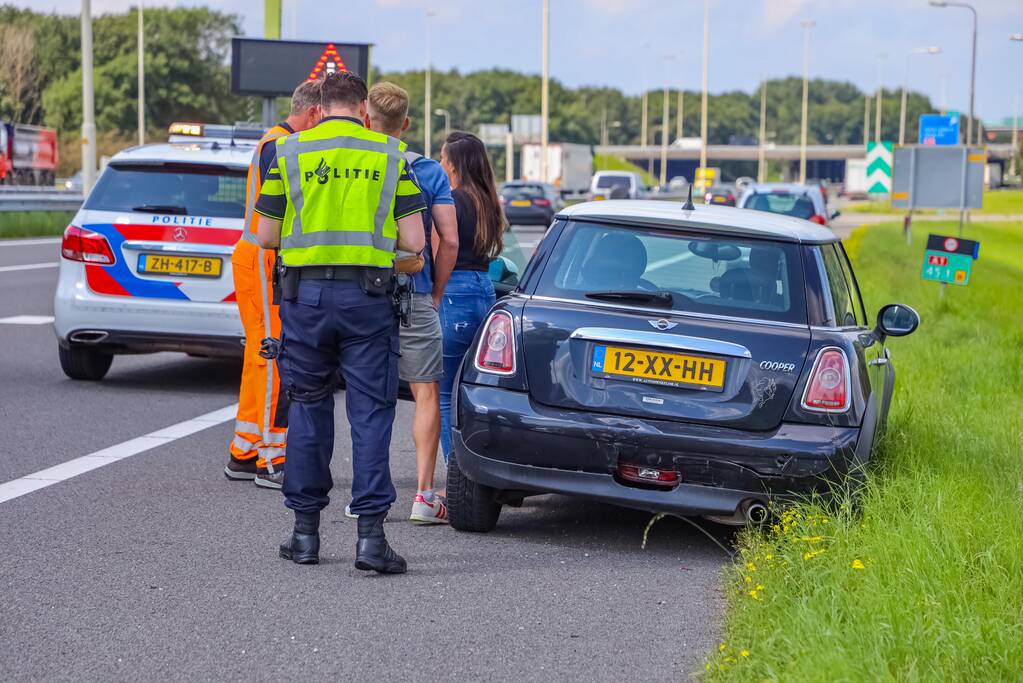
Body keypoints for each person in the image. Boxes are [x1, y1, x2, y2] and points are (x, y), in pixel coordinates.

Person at [253, 71, 427, 574]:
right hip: (368, 301)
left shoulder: (289, 153)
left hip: (304, 300)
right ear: (364, 110)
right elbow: (414, 242)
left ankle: (304, 535)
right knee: (371, 414)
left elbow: (265, 235)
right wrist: (370, 254)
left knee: (308, 407)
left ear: (321, 106)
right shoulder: (390, 155)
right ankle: (370, 540)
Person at [365, 82, 459, 525]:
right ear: (405, 124)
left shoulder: (359, 164)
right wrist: (436, 291)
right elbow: (451, 240)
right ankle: (423, 495)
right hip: (413, 291)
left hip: (363, 293)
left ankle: (368, 493)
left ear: (367, 119)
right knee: (426, 393)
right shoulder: (429, 172)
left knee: (369, 394)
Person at [224, 79, 322, 489]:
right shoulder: (280, 146)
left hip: (259, 259)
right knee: (271, 356)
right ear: (315, 113)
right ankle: (271, 458)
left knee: (259, 356)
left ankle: (245, 450)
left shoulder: (275, 142)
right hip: (265, 260)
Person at [437, 132, 504, 460]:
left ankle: (456, 476)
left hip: (454, 293)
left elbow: (444, 248)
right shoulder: (489, 201)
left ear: (453, 163)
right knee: (473, 390)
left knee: (445, 394)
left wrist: (435, 293)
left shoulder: (451, 200)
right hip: (484, 293)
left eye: (442, 157)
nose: (439, 163)